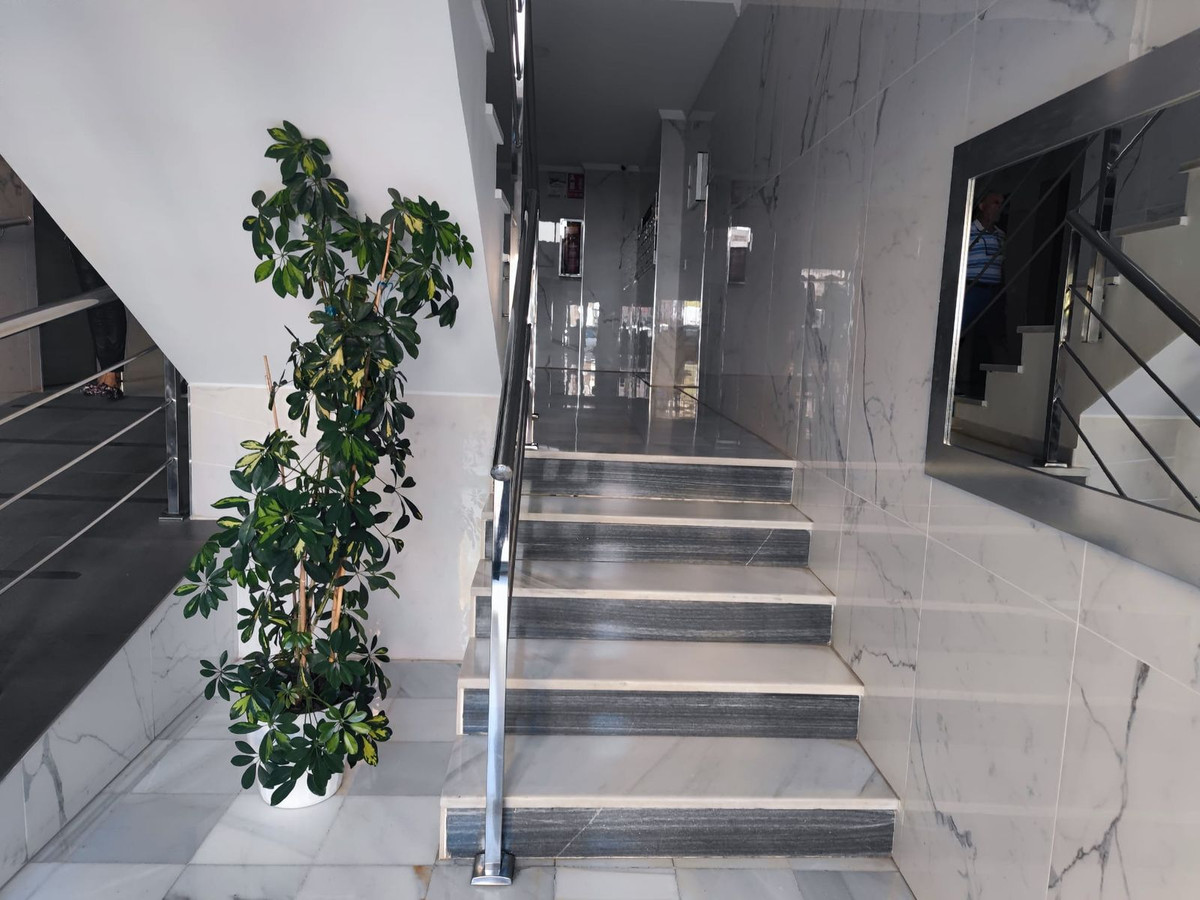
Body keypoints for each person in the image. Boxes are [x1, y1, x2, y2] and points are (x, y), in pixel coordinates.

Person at [956, 192, 1006, 398]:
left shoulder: (1001, 235)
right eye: (995, 202)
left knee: (994, 336)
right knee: (959, 336)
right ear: (982, 206)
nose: (1000, 207)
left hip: (992, 292)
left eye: (1002, 203)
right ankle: (952, 382)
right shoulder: (968, 231)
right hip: (971, 289)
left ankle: (998, 388)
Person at [70, 245, 127, 400]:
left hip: (105, 237)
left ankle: (113, 374)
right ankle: (105, 372)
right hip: (78, 235)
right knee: (94, 305)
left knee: (110, 300)